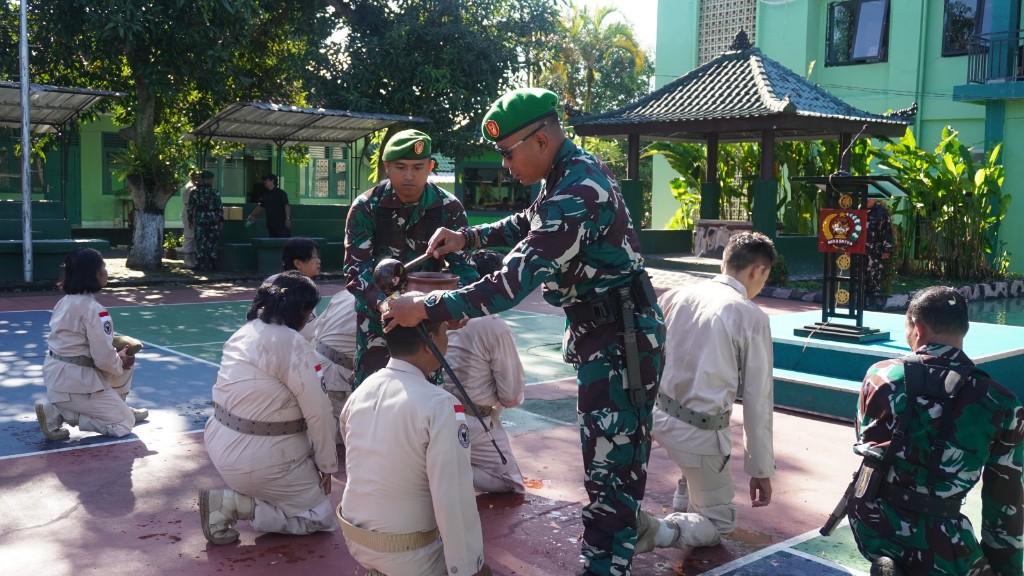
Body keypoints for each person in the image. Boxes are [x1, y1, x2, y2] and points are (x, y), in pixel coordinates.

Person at [382, 88, 665, 576]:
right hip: (606, 336)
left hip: (621, 345)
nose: (506, 165)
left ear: (540, 140)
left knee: (610, 470)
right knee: (608, 463)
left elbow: (512, 282)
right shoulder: (565, 176)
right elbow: (527, 222)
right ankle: (617, 544)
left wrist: (424, 307)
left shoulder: (576, 191)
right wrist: (467, 237)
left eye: (508, 153)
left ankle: (606, 564)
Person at [845, 286, 1023, 576]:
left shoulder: (880, 375)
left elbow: (865, 442)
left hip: (871, 522)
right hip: (943, 541)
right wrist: (1006, 570)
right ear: (964, 330)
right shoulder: (1002, 402)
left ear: (917, 328)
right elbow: (1005, 500)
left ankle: (888, 558)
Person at [637, 232, 777, 555]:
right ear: (756, 270)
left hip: (657, 417)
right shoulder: (751, 317)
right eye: (765, 277)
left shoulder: (676, 294)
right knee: (718, 522)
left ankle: (683, 507)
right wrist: (761, 470)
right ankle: (659, 530)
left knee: (695, 475)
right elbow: (758, 400)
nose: (762, 286)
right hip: (700, 434)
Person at [338, 297, 491, 576]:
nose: (448, 340)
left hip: (356, 539)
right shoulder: (440, 405)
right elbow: (453, 498)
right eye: (444, 332)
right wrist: (470, 567)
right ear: (427, 343)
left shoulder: (364, 389)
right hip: (408, 551)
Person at [199, 271, 337, 545]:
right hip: (260, 459)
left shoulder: (244, 331)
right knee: (318, 517)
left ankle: (252, 493)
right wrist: (327, 465)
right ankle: (233, 504)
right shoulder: (293, 343)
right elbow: (319, 413)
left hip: (220, 444)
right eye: (310, 312)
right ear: (301, 310)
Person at [343, 128, 477, 388]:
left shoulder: (449, 208)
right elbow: (355, 271)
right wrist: (386, 305)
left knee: (424, 399)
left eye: (417, 167)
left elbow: (466, 270)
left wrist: (459, 308)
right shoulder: (366, 207)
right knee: (373, 396)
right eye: (400, 166)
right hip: (379, 323)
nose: (408, 175)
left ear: (430, 167)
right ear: (386, 167)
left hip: (426, 322)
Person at [35, 248, 148, 441]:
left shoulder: (64, 302)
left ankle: (116, 404)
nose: (106, 271)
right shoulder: (95, 310)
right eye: (103, 266)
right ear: (94, 274)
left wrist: (116, 358)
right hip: (76, 386)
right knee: (124, 423)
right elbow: (104, 359)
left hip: (58, 378)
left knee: (122, 361)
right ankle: (60, 413)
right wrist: (118, 360)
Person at [444, 249, 526, 493]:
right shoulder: (494, 326)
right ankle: (441, 471)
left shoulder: (439, 311)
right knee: (511, 482)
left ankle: (437, 462)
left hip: (430, 411)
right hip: (471, 421)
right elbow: (511, 397)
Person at [310, 287, 357, 446]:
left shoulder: (347, 292)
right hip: (334, 372)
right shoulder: (381, 301)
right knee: (346, 434)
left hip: (315, 361)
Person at [263, 237, 322, 341]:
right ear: (298, 263)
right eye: (314, 257)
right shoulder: (301, 286)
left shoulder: (273, 280)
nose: (319, 261)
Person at [187, 170, 223, 271]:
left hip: (200, 218)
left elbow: (190, 207)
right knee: (212, 241)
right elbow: (219, 206)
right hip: (213, 218)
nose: (212, 181)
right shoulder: (214, 191)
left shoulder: (195, 192)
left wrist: (190, 219)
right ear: (208, 180)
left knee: (200, 241)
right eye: (211, 179)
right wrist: (221, 220)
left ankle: (201, 264)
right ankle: (212, 264)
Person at [864, 198, 894, 297]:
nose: (868, 199)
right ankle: (859, 301)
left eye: (871, 197)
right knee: (858, 276)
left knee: (874, 275)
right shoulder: (858, 209)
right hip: (859, 249)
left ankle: (873, 300)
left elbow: (887, 230)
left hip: (875, 250)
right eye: (866, 196)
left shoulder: (881, 211)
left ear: (875, 199)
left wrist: (887, 249)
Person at [246, 174, 291, 238]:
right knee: (272, 243)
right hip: (271, 224)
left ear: (272, 181)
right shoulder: (265, 194)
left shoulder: (281, 193)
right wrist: (252, 215)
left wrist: (287, 219)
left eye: (266, 180)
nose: (264, 182)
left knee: (283, 242)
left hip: (282, 224)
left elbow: (286, 205)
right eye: (264, 180)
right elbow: (260, 206)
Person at [179, 171, 201, 269]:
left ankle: (193, 258)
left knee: (195, 235)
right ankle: (187, 259)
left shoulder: (194, 186)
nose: (200, 179)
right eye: (198, 177)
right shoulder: (191, 188)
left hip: (194, 211)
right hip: (190, 211)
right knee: (189, 234)